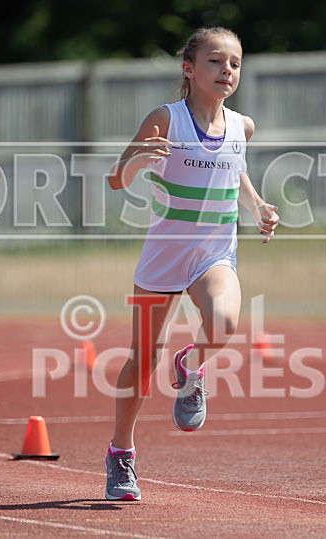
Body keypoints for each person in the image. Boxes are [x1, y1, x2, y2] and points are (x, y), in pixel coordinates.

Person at [104, 27, 279, 501]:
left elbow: (235, 169)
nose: (227, 71)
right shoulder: (166, 118)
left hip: (214, 253)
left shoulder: (242, 126)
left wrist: (259, 206)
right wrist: (138, 158)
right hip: (165, 253)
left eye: (235, 64)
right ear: (189, 69)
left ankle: (191, 366)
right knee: (142, 361)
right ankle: (122, 454)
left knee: (223, 320)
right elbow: (116, 179)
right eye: (215, 62)